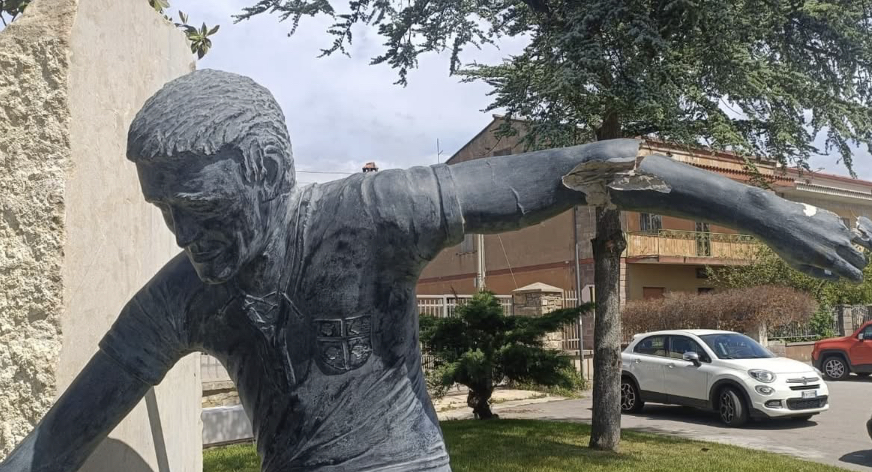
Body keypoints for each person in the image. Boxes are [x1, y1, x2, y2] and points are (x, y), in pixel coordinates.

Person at [1, 69, 869, 472]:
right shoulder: (184, 295)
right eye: (166, 211)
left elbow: (595, 165)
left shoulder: (371, 213)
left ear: (264, 170)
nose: (185, 234)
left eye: (201, 207)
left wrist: (771, 214)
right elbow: (62, 434)